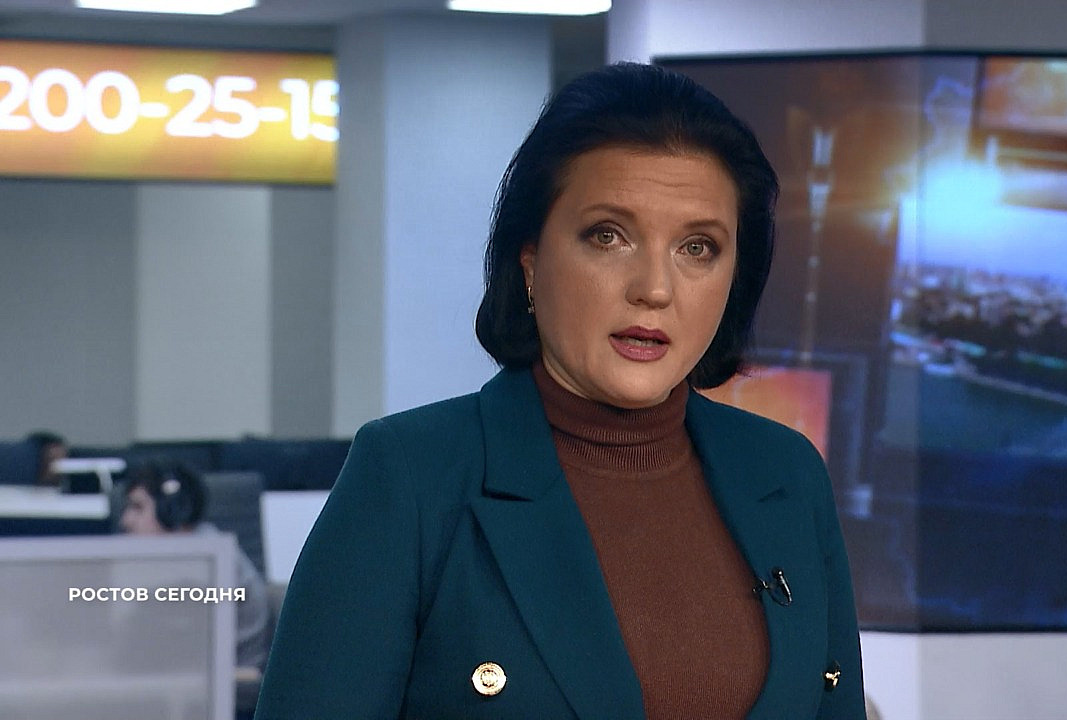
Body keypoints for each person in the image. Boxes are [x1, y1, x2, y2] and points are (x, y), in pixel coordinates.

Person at [256, 62, 866, 719]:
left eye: (698, 247)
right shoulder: (410, 476)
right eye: (609, 236)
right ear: (531, 261)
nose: (654, 288)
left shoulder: (785, 472)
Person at [118, 461, 271, 672]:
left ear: (173, 510)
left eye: (137, 508)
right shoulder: (185, 555)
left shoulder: (210, 564)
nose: (126, 520)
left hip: (230, 684)